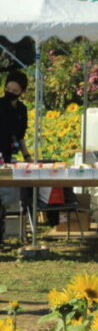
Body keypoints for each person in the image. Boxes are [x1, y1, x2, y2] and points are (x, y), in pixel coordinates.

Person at [0, 70, 30, 243]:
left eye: (15, 90)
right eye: (8, 88)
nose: (10, 92)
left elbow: (20, 136)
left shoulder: (22, 110)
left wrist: (27, 158)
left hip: (9, 156)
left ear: (22, 92)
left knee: (9, 196)